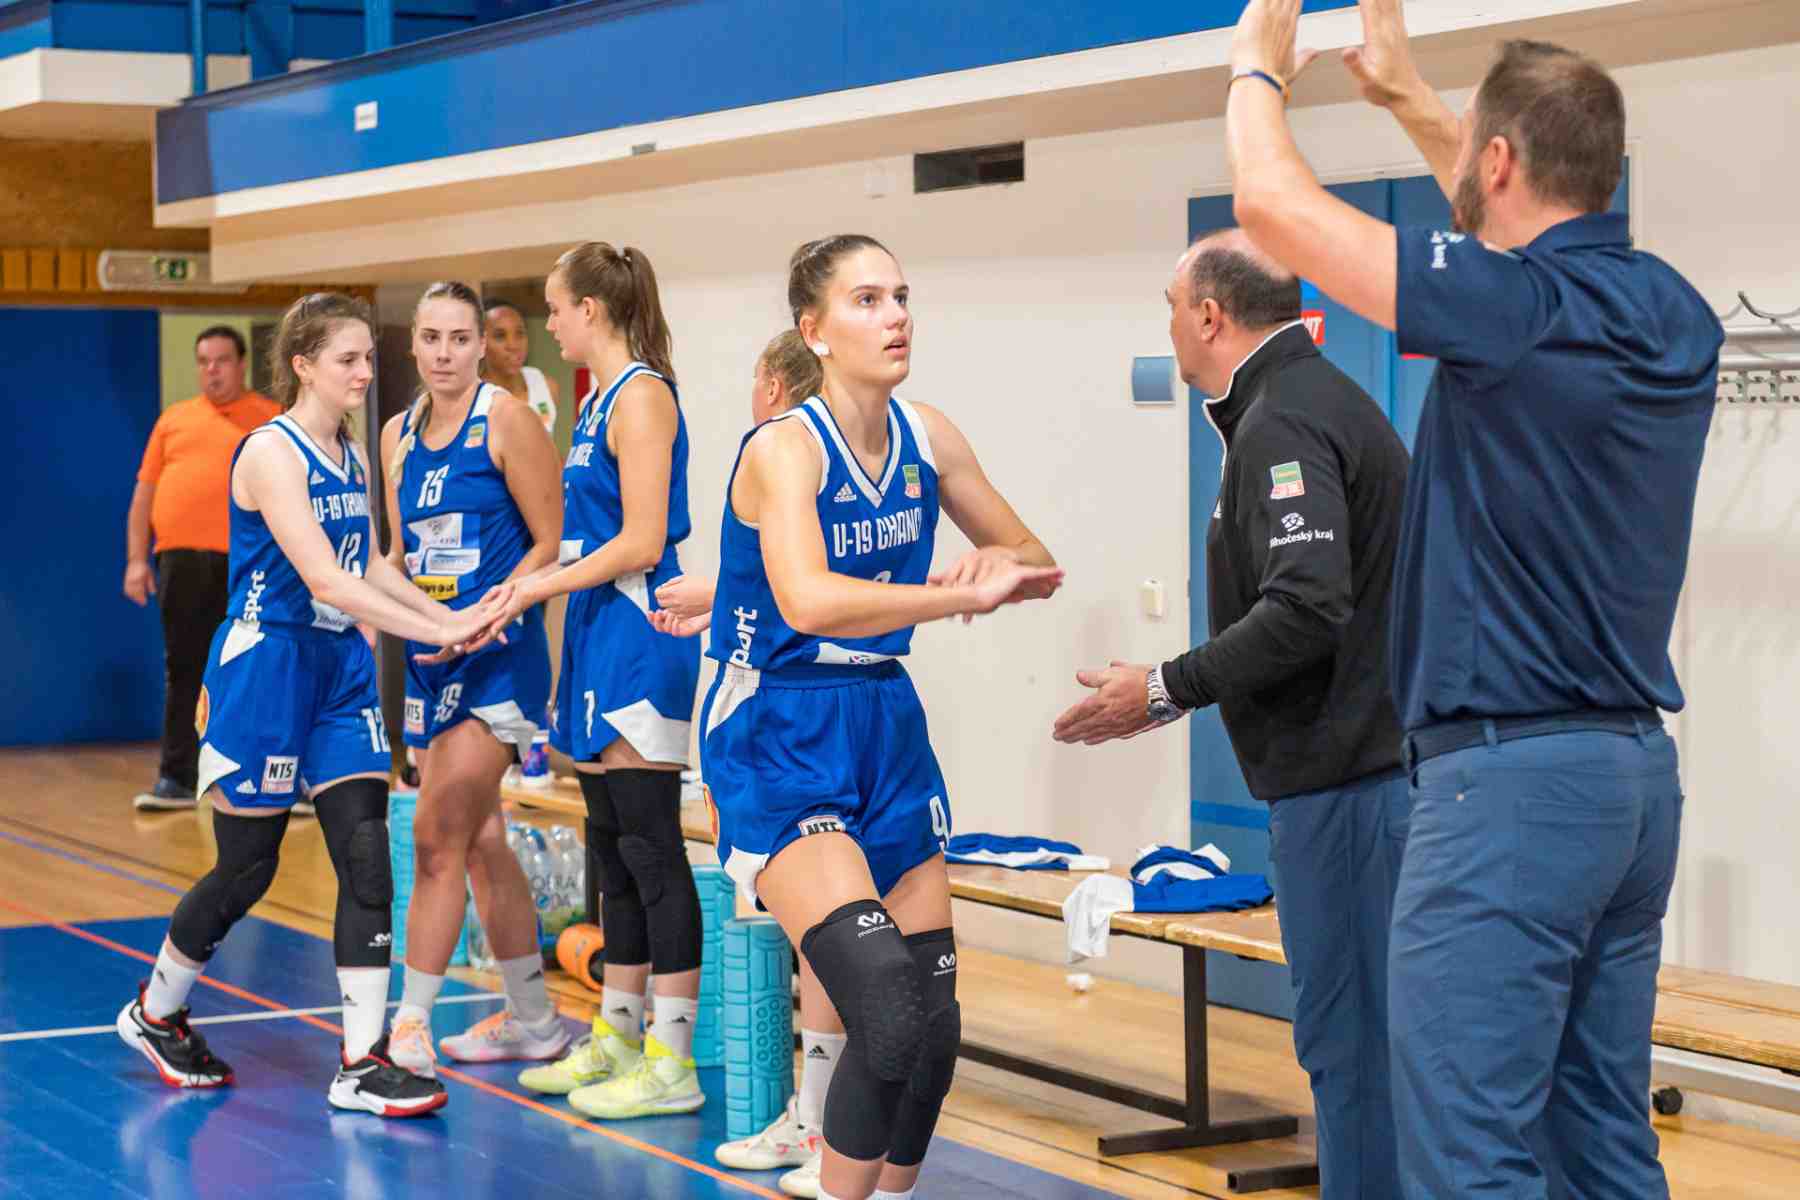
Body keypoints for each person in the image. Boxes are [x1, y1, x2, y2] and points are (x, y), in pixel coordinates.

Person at [1225, 2, 1721, 1195]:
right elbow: (1515, 209)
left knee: (1467, 1151)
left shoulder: (1514, 311)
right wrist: (1407, 94)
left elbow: (1271, 208)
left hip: (1508, 794)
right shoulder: (1671, 311)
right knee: (1601, 1143)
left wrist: (1256, 70)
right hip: (1628, 784)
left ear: (1497, 162)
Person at [698, 234, 1061, 1200]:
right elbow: (809, 600)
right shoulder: (784, 447)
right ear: (813, 330)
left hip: (882, 717)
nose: (895, 315)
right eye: (866, 300)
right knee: (888, 1007)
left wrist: (1000, 564)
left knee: (933, 1027)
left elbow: (1031, 553)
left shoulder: (928, 435)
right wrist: (954, 595)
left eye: (900, 295)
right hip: (778, 724)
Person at [1052, 229, 1410, 1199]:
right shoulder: (1295, 403)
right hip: (1351, 783)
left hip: (1351, 789)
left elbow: (1308, 606)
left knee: (1353, 1049)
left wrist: (1165, 686)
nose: (1169, 325)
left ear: (1209, 315)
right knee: (1361, 1046)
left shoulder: (1285, 419)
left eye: (1172, 307)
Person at [114, 292, 504, 1116]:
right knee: (247, 868)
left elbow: (371, 565)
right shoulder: (271, 452)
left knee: (366, 854)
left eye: (367, 358)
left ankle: (361, 1060)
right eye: (347, 360)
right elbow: (327, 580)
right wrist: (435, 628)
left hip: (338, 670)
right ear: (302, 365)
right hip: (268, 667)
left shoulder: (349, 452)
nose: (365, 373)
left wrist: (455, 616)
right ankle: (157, 1009)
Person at [478, 243, 706, 1121]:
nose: (550, 322)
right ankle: (618, 1034)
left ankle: (673, 1058)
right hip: (597, 629)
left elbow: (643, 540)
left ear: (593, 310)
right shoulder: (596, 400)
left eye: (555, 306)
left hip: (642, 631)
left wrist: (541, 584)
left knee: (651, 849)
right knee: (610, 845)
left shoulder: (644, 395)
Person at [646, 330, 842, 1197]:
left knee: (827, 931)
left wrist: (717, 592)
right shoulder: (843, 454)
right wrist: (721, 600)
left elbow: (802, 586)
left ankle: (834, 1131)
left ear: (769, 381)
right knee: (821, 932)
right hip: (814, 709)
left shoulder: (778, 449)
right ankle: (819, 1116)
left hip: (779, 717)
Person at [380, 282, 569, 1082]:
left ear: (481, 346)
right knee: (483, 839)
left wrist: (493, 612)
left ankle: (409, 1027)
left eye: (460, 338)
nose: (445, 353)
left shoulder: (507, 419)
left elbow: (553, 543)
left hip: (498, 654)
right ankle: (535, 1020)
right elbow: (398, 557)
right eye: (431, 337)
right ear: (413, 344)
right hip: (431, 658)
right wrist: (383, 619)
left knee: (436, 836)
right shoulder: (396, 434)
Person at [125, 326, 280, 812]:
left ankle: (269, 775)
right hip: (181, 563)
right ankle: (177, 778)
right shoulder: (173, 420)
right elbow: (145, 494)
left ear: (242, 364)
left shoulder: (270, 419)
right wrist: (136, 560)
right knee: (185, 667)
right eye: (204, 361)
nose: (212, 370)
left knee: (256, 667)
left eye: (222, 360)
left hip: (249, 565)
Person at [482, 299, 561, 436]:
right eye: (500, 336)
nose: (513, 346)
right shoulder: (473, 398)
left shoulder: (546, 386)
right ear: (481, 342)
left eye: (520, 334)